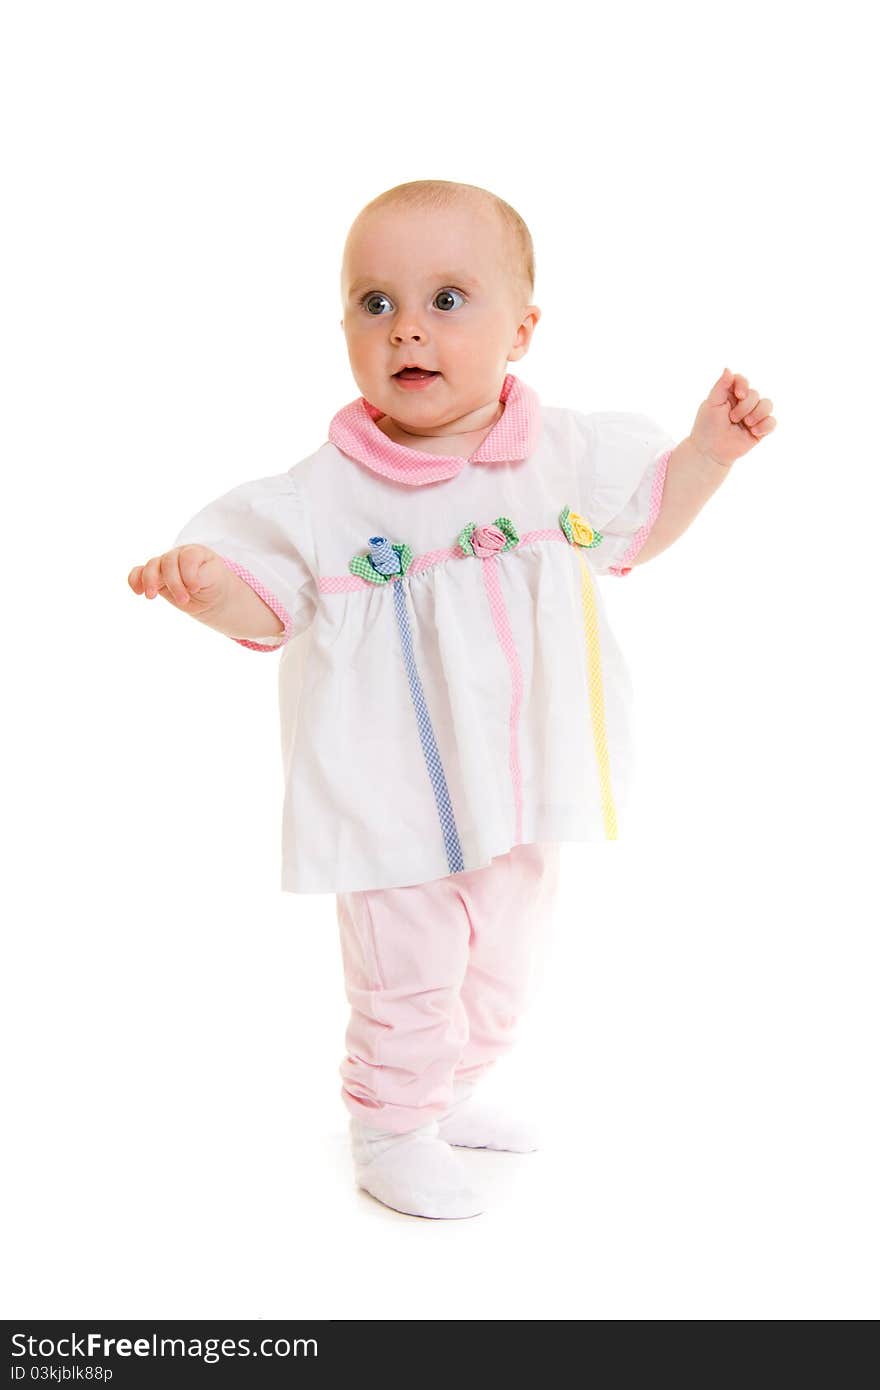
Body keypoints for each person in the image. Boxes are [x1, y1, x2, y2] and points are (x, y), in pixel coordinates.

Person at [127, 179, 777, 1220]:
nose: (408, 329)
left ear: (520, 329)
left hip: (517, 784)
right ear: (343, 325)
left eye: (447, 299)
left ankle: (451, 1089)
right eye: (375, 303)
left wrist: (706, 455)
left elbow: (633, 534)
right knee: (408, 974)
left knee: (504, 968)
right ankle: (388, 1122)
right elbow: (271, 598)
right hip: (387, 795)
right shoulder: (322, 492)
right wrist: (207, 585)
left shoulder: (561, 454)